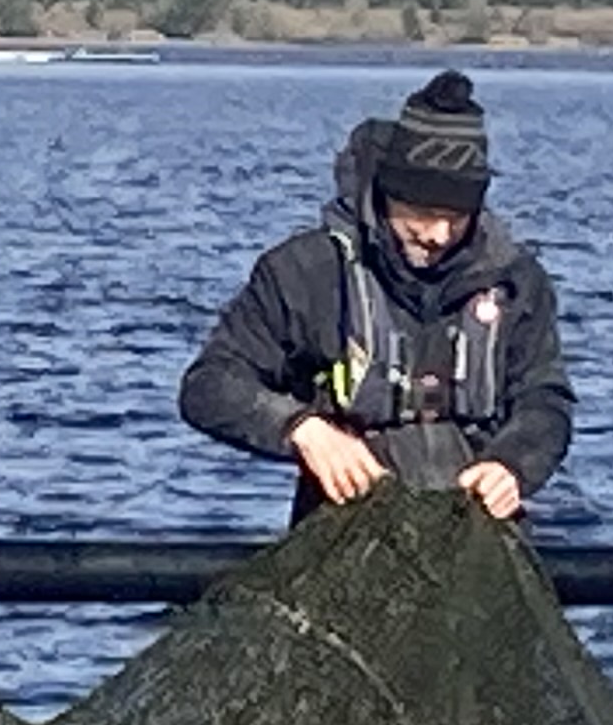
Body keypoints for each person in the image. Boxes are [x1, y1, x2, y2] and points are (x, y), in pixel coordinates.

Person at [179, 69, 575, 520]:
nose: (439, 234)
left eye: (457, 216)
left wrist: (513, 466)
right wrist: (301, 428)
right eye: (423, 213)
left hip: (477, 529)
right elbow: (208, 386)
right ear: (390, 193)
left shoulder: (518, 283)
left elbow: (545, 401)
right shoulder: (305, 272)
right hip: (344, 532)